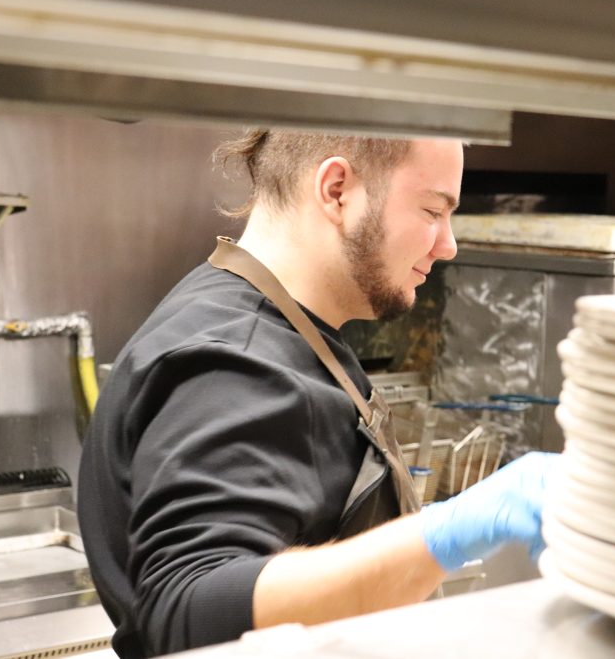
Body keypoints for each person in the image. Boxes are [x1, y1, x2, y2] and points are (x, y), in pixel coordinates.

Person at [77, 130, 558, 659]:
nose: (448, 245)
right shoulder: (240, 362)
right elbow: (187, 613)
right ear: (336, 191)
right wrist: (445, 533)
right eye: (431, 211)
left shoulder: (264, 319)